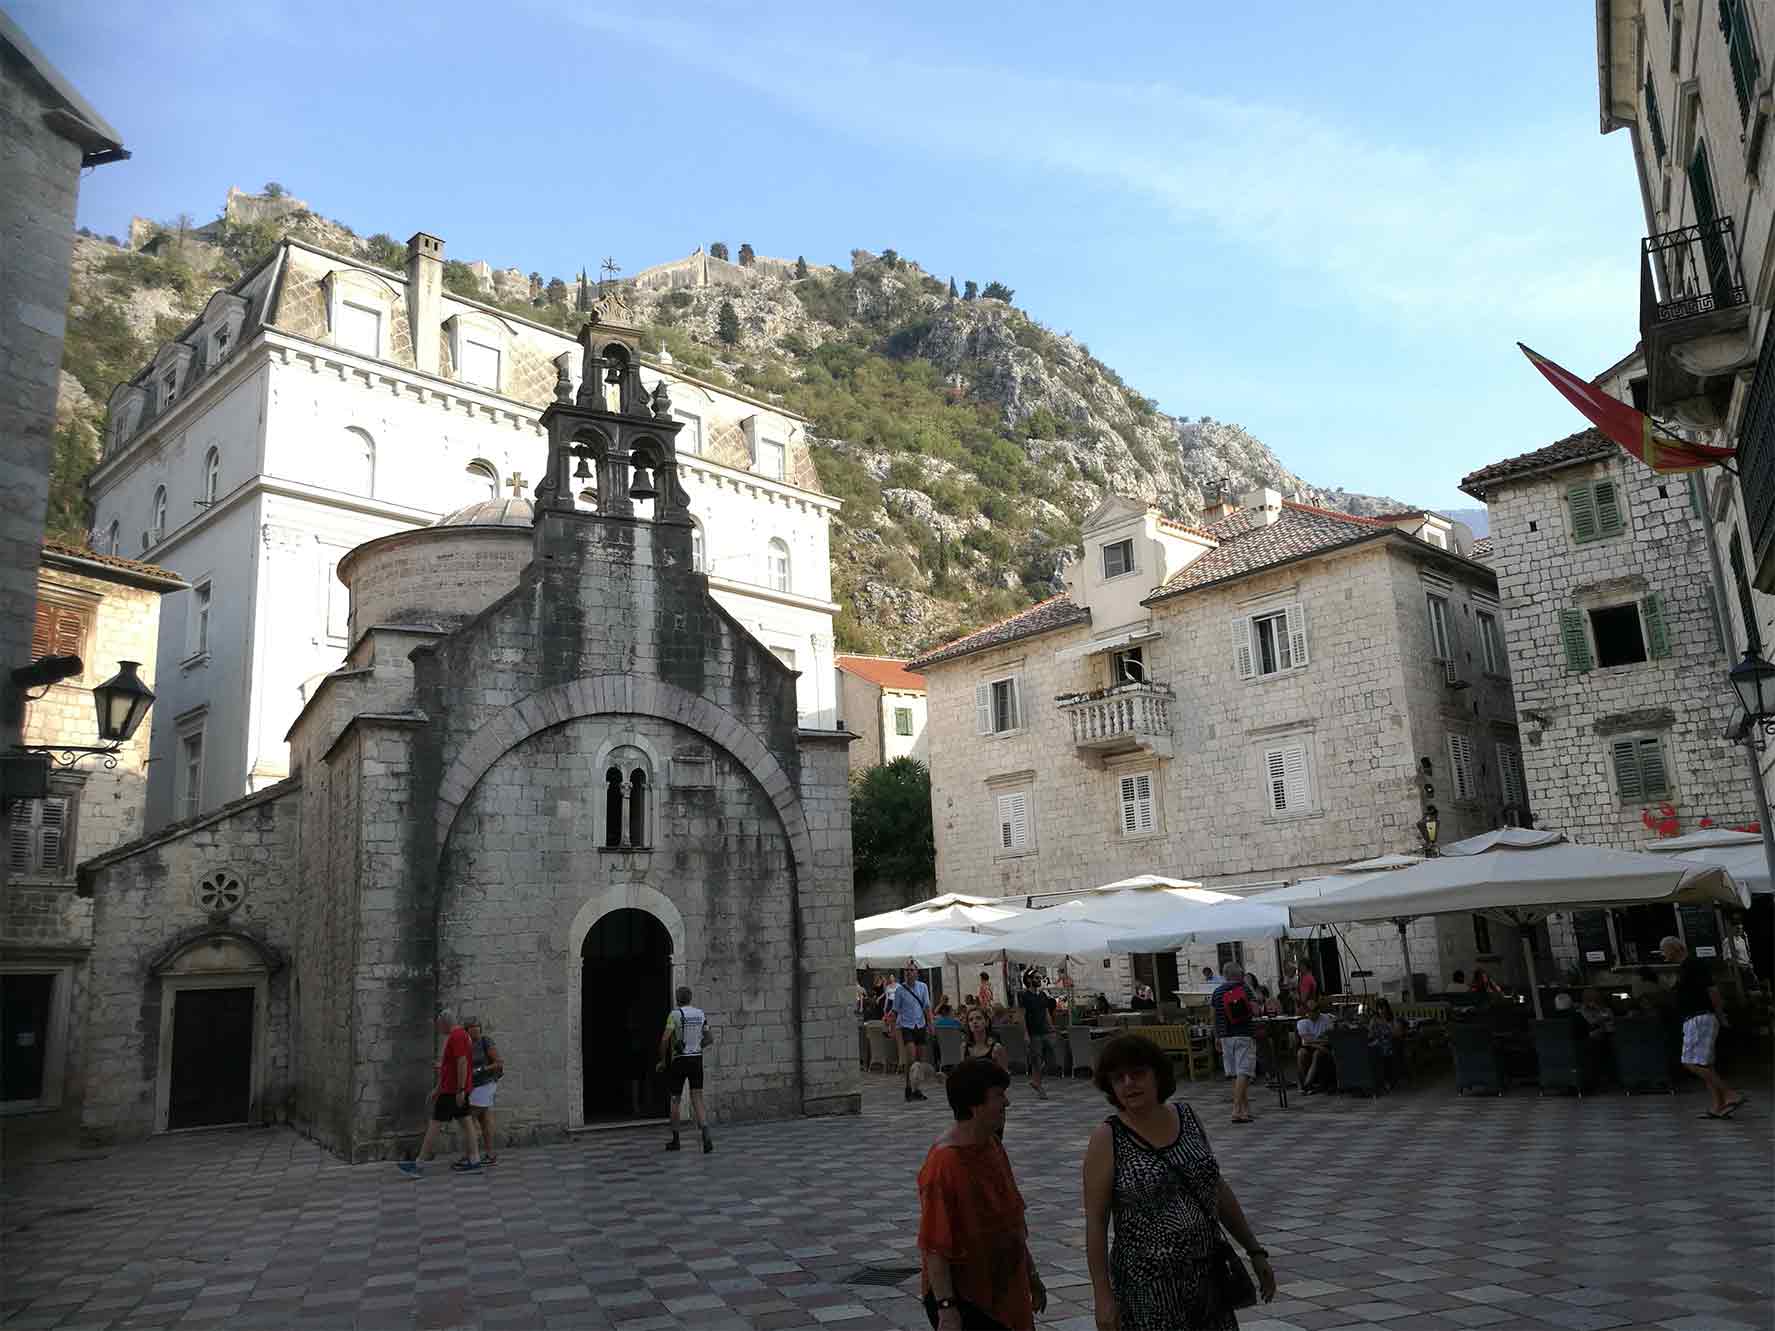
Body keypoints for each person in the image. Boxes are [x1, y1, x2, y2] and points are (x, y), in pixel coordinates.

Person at [1083, 1034, 1276, 1330]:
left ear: (1157, 1074)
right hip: (1147, 1288)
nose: (1128, 1084)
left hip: (1207, 1278)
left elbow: (1216, 1188)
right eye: (1118, 1078)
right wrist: (1102, 1296)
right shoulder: (1108, 1138)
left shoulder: (1186, 1117)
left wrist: (1254, 1249)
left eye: (1137, 1074)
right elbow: (1096, 1222)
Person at [916, 1058, 1046, 1329]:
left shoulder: (992, 1145)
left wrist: (1031, 1275)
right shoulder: (944, 1164)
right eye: (999, 1096)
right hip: (968, 1299)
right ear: (975, 1106)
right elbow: (934, 1244)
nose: (1006, 1103)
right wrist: (947, 1309)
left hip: (1006, 1290)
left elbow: (1012, 1221)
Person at [1662, 937, 1747, 1119]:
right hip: (1695, 1019)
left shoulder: (1693, 964)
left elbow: (1712, 990)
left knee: (1691, 1062)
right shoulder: (1685, 968)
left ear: (1675, 948)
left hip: (1699, 1018)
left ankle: (1730, 1094)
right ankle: (1718, 1106)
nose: (1663, 954)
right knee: (1705, 1064)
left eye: (1664, 950)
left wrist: (1721, 1015)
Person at [398, 1009, 481, 1176]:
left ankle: (419, 1164)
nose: (438, 1029)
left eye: (438, 1025)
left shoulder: (456, 1036)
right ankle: (475, 1160)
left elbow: (462, 1063)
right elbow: (451, 1066)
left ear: (444, 1023)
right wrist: (438, 1088)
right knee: (466, 1122)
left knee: (435, 1125)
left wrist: (460, 1090)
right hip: (454, 1089)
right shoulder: (461, 1035)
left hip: (452, 1091)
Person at [658, 985, 714, 1152]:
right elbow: (709, 1038)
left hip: (679, 1060)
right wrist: (696, 1046)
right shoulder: (700, 1013)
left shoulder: (674, 1015)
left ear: (677, 998)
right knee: (697, 1098)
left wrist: (662, 1060)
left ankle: (676, 1140)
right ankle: (706, 1134)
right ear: (690, 998)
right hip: (696, 1058)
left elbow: (664, 1040)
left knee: (675, 1099)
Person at [1209, 962, 1257, 1125]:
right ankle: (1236, 1109)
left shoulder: (1217, 992)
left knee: (1235, 1074)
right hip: (1243, 1034)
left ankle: (1245, 1110)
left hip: (1225, 1036)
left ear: (1225, 975)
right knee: (1244, 1072)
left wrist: (1216, 1036)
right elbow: (1256, 1010)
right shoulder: (1245, 988)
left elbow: (1213, 1016)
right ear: (1240, 974)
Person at [463, 1015, 502, 1166]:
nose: (476, 1035)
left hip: (485, 1085)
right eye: (473, 1032)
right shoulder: (465, 1044)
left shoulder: (486, 1041)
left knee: (468, 1119)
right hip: (473, 1087)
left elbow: (498, 1062)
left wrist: (480, 1069)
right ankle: (490, 1154)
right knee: (485, 1120)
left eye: (477, 1031)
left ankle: (471, 1155)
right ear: (467, 1031)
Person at [892, 964, 934, 1102]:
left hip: (920, 1025)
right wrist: (892, 1028)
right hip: (907, 1026)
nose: (908, 972)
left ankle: (917, 1089)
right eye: (906, 970)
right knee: (911, 1059)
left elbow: (927, 1007)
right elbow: (895, 1011)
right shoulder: (899, 990)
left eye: (911, 970)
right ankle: (908, 1088)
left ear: (917, 973)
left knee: (919, 1061)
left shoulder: (923, 987)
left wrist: (930, 1024)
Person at [1017, 972, 1059, 1100]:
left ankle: (1035, 1080)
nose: (1039, 980)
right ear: (1029, 980)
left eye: (1040, 978)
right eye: (1036, 978)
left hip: (1045, 1031)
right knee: (1037, 1059)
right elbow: (1022, 1015)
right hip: (1033, 1032)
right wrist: (1025, 1033)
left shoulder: (1042, 995)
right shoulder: (1024, 996)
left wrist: (1052, 1028)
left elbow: (1046, 1013)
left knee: (1051, 1058)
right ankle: (1039, 1086)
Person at [1294, 997, 1334, 1094]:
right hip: (1311, 1047)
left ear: (1318, 1010)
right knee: (1301, 1053)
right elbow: (1307, 1041)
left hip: (1322, 1047)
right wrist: (1318, 1042)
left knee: (1317, 1054)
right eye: (1309, 1011)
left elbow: (1329, 1039)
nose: (1312, 1013)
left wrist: (1313, 1042)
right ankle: (1305, 1083)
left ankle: (1306, 1084)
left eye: (1314, 1010)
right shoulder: (1302, 1022)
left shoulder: (1326, 1019)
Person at [960, 1004, 1010, 1073]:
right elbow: (962, 1073)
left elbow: (1005, 1075)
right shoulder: (964, 1047)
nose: (974, 1022)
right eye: (971, 1020)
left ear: (986, 1022)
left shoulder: (997, 1048)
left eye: (978, 1018)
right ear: (968, 1025)